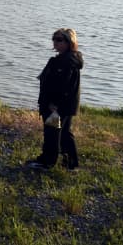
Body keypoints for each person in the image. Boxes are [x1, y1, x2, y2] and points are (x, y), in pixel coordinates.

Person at [27, 28, 83, 170]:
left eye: (59, 39)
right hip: (63, 105)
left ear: (70, 42)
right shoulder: (62, 59)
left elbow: (65, 86)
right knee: (64, 133)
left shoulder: (68, 61)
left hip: (58, 106)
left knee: (52, 133)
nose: (55, 42)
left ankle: (47, 162)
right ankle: (71, 164)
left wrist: (54, 104)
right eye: (54, 39)